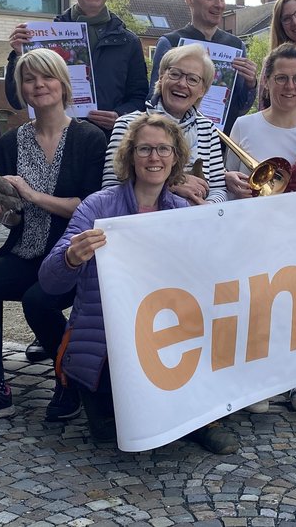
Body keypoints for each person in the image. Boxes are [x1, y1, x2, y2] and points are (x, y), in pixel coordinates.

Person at [39, 114, 239, 454]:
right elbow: (49, 280)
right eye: (145, 149)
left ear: (176, 157)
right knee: (111, 435)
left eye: (163, 149)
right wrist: (71, 256)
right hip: (107, 342)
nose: (154, 158)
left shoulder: (183, 212)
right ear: (130, 155)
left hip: (167, 335)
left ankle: (200, 419)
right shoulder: (98, 206)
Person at [0, 49, 107, 429]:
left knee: (40, 301)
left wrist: (34, 194)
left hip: (71, 256)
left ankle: (66, 376)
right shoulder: (8, 143)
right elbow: (12, 212)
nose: (39, 85)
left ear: (64, 85)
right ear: (20, 89)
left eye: (47, 77)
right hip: (24, 251)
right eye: (29, 79)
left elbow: (92, 207)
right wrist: (0, 211)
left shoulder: (90, 138)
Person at [225, 44, 296, 414]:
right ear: (266, 82)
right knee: (258, 308)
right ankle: (258, 382)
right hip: (254, 233)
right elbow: (229, 178)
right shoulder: (245, 125)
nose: (290, 86)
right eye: (281, 77)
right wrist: (231, 182)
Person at [4, 0, 147, 135]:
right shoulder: (44, 38)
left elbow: (140, 98)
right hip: (58, 139)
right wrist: (19, 54)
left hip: (110, 142)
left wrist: (120, 116)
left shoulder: (128, 42)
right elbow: (17, 100)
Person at [102, 43, 226, 204]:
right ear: (161, 78)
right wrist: (173, 184)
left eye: (193, 79)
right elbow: (109, 190)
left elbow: (219, 189)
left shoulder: (208, 129)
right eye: (175, 74)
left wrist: (206, 208)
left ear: (203, 90)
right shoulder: (127, 124)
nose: (182, 83)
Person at [149, 0, 257, 134]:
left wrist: (251, 84)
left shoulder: (236, 46)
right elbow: (154, 96)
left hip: (220, 142)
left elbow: (240, 108)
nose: (219, 4)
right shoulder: (170, 42)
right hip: (175, 138)